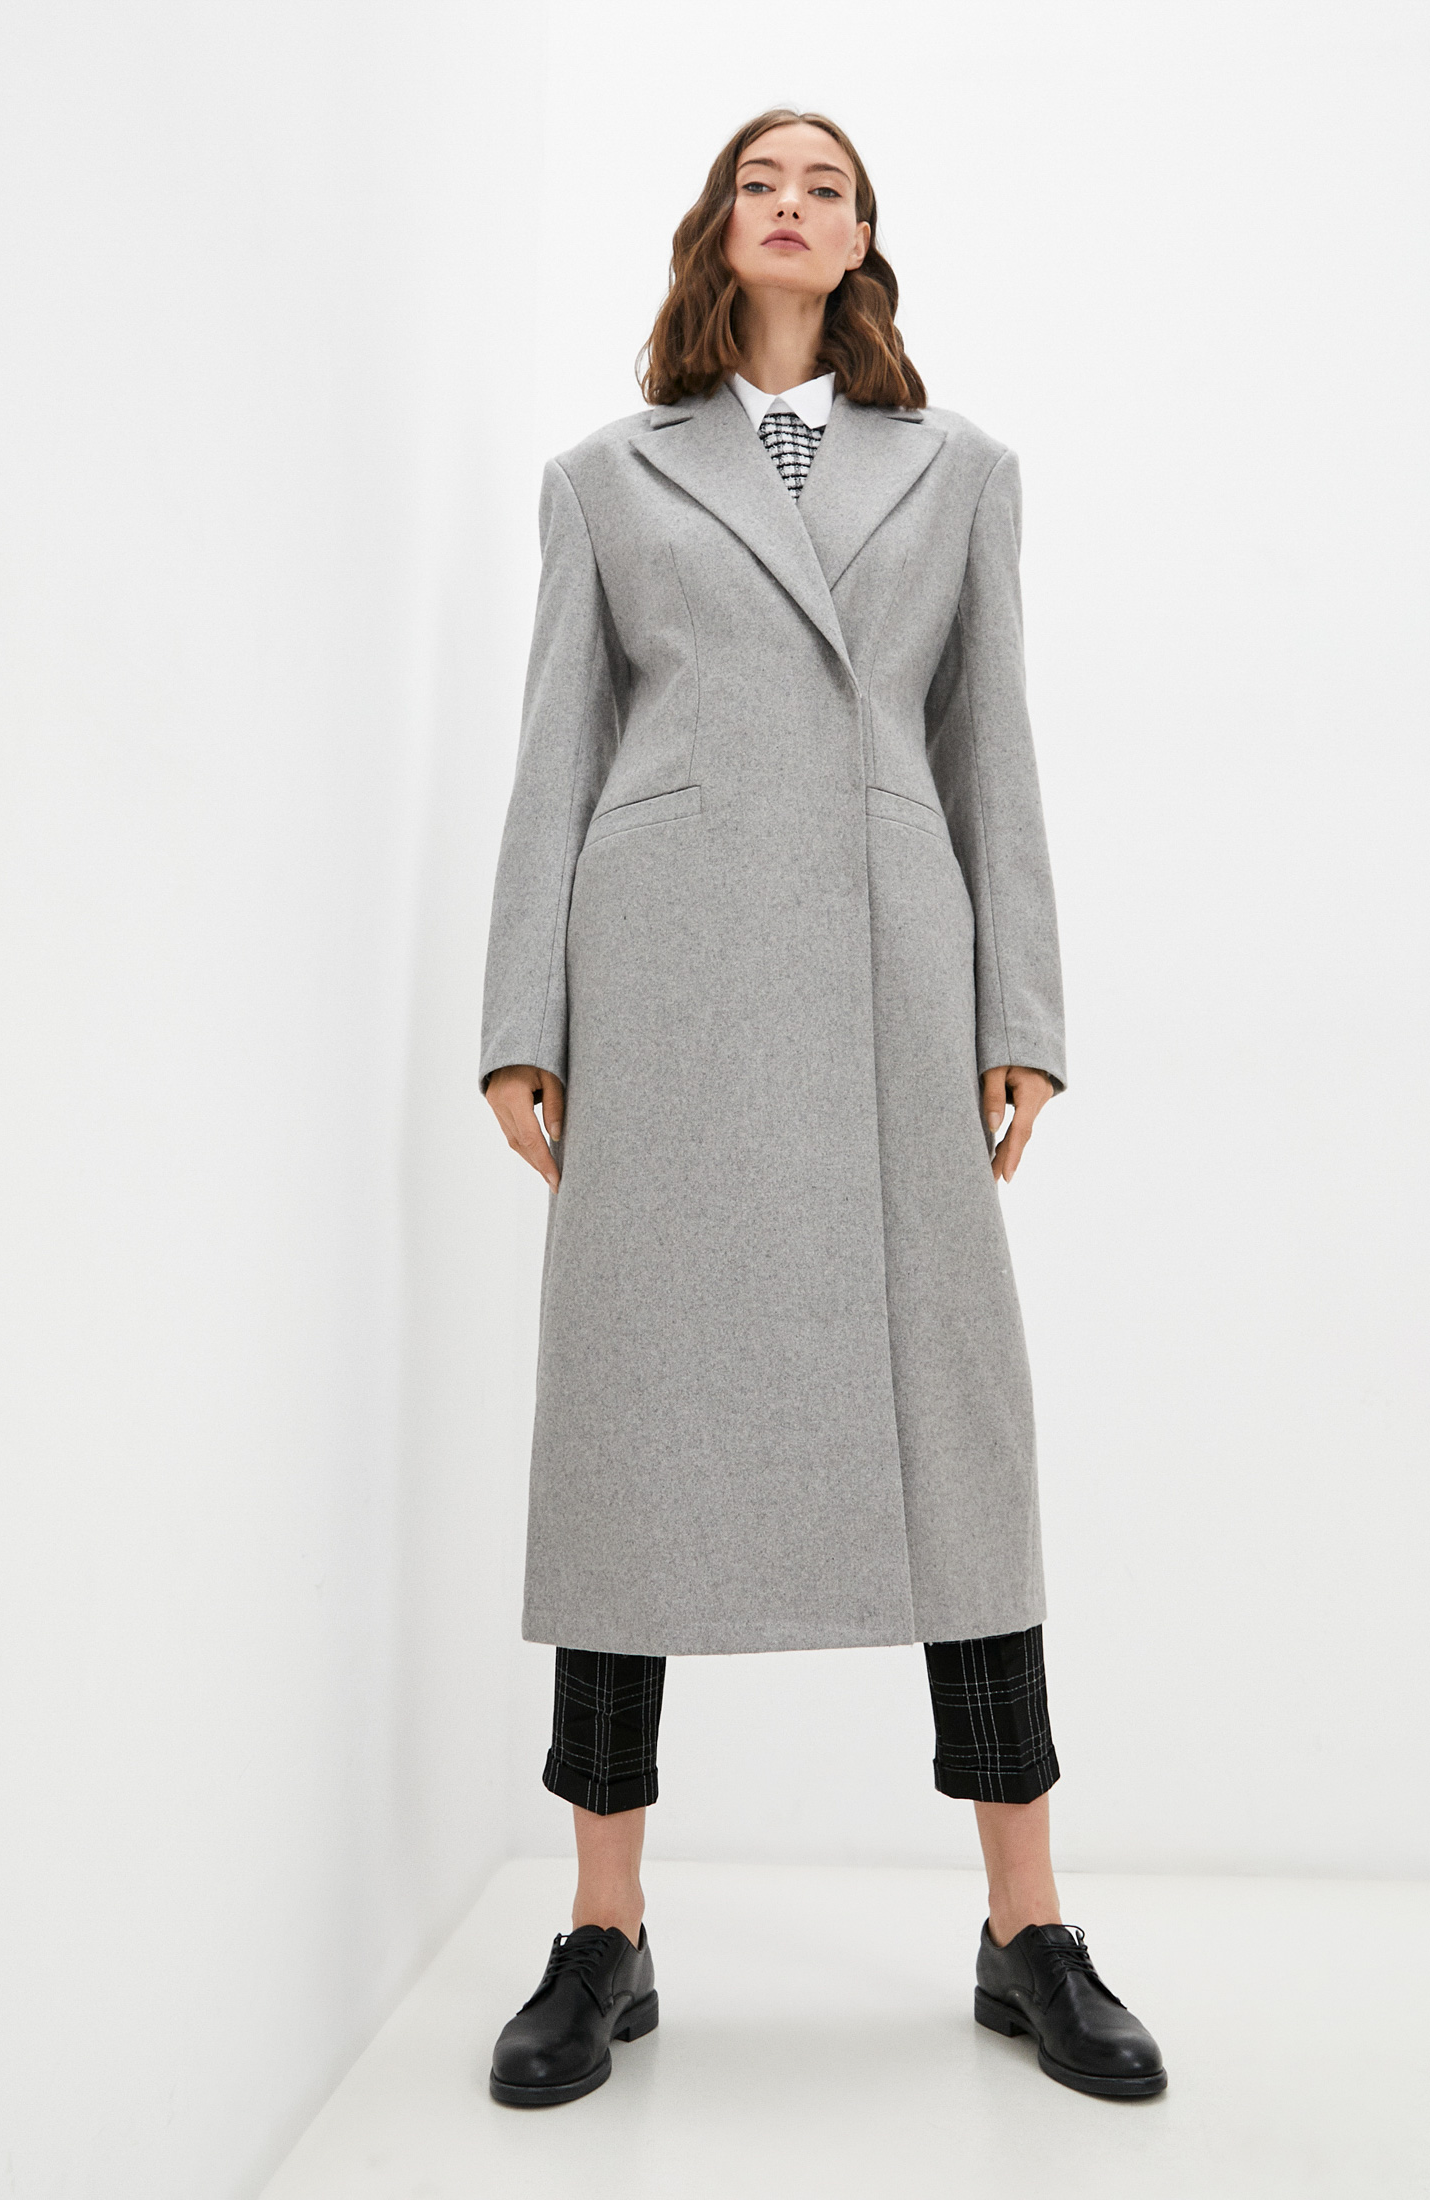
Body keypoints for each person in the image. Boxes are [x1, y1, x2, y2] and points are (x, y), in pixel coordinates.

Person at [478, 107, 1164, 2108]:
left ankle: (1027, 1924)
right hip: (666, 982)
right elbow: (553, 750)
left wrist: (1017, 1009)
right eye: (761, 181)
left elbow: (990, 746)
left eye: (828, 186)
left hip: (885, 978)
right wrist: (523, 1016)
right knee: (626, 1441)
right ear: (722, 229)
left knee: (959, 1439)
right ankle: (603, 1929)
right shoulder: (603, 479)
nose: (792, 204)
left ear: (864, 242)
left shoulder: (963, 474)